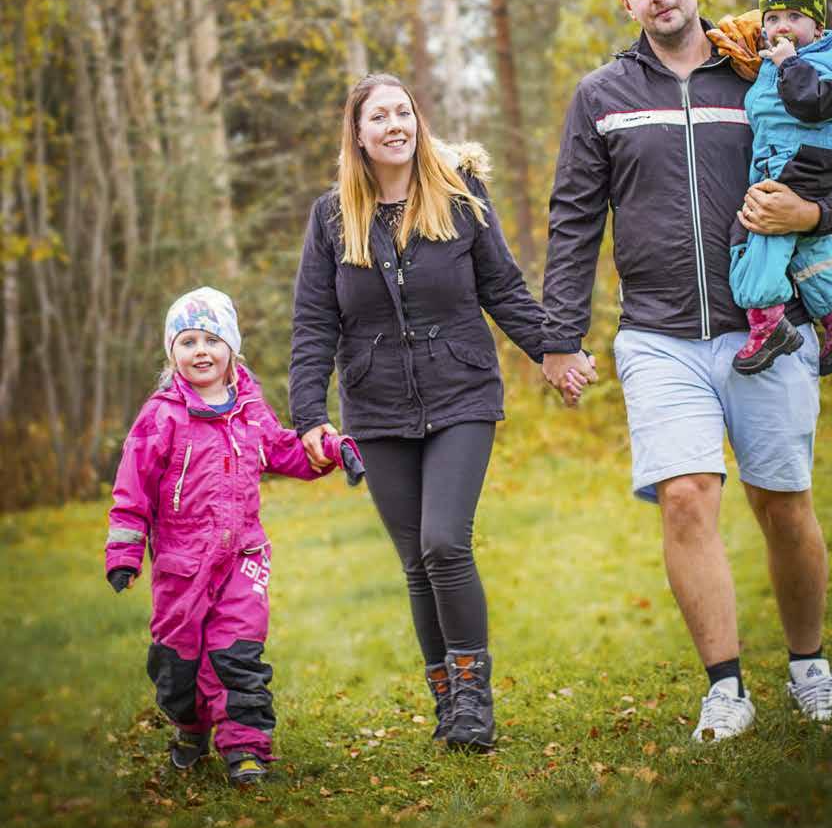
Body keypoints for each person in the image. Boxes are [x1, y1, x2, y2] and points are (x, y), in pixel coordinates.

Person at [542, 0, 832, 741]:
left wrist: (813, 214)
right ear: (626, 4)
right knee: (686, 497)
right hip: (658, 336)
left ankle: (808, 666)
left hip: (770, 329)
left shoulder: (763, 66)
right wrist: (559, 336)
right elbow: (575, 219)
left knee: (783, 504)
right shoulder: (602, 95)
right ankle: (726, 689)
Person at [289, 73, 547, 752]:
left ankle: (474, 704)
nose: (395, 124)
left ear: (418, 123)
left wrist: (556, 350)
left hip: (462, 391)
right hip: (375, 408)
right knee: (415, 562)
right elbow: (314, 323)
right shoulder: (330, 218)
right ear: (359, 135)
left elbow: (503, 288)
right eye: (379, 117)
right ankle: (448, 702)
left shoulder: (459, 197)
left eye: (404, 112)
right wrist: (308, 414)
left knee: (443, 543)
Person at [105, 287, 358, 786]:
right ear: (172, 352)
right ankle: (190, 727)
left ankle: (245, 747)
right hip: (181, 566)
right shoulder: (160, 417)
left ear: (231, 350)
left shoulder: (249, 410)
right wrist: (125, 552)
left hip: (243, 557)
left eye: (212, 340)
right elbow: (131, 488)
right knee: (177, 669)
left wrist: (330, 448)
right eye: (188, 341)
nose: (201, 350)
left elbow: (286, 450)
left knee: (236, 654)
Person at [724, 0, 832, 376]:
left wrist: (787, 64)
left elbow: (813, 102)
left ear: (818, 27)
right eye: (772, 17)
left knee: (757, 228)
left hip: (799, 160)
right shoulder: (785, 59)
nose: (781, 26)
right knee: (807, 242)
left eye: (794, 16)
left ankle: (768, 322)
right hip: (788, 158)